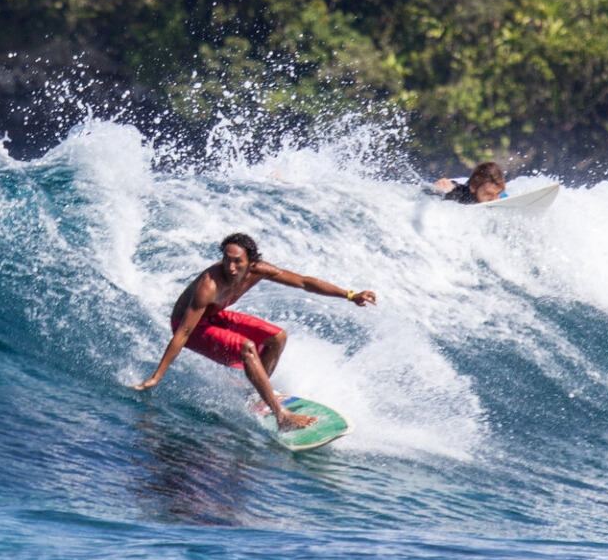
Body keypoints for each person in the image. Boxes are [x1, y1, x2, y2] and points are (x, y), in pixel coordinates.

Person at [131, 233, 377, 431]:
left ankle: (257, 395)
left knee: (277, 337)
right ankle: (282, 416)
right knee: (247, 347)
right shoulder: (209, 285)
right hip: (192, 326)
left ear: (251, 261)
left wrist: (349, 295)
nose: (232, 266)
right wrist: (157, 376)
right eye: (227, 259)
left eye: (238, 261)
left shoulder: (260, 270)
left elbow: (304, 282)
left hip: (215, 316)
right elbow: (183, 332)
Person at [432, 161, 507, 204]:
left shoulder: (502, 195)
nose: (494, 199)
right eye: (488, 194)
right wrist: (439, 187)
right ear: (473, 188)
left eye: (497, 193)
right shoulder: (459, 193)